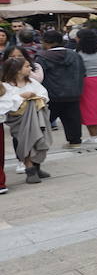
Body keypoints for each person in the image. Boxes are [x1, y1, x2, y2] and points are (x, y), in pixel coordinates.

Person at [0, 55, 51, 185]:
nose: (30, 68)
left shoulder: (32, 82)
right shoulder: (6, 86)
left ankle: (37, 167)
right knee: (27, 142)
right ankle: (30, 170)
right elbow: (6, 103)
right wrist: (22, 96)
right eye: (27, 66)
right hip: (19, 120)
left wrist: (37, 98)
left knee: (39, 140)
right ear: (17, 70)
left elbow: (44, 94)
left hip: (37, 117)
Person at [37, 30, 84, 149]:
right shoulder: (75, 55)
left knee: (44, 121)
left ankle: (39, 143)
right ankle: (75, 141)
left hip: (52, 95)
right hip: (73, 93)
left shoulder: (42, 57)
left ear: (46, 42)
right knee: (73, 118)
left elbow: (39, 76)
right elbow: (83, 72)